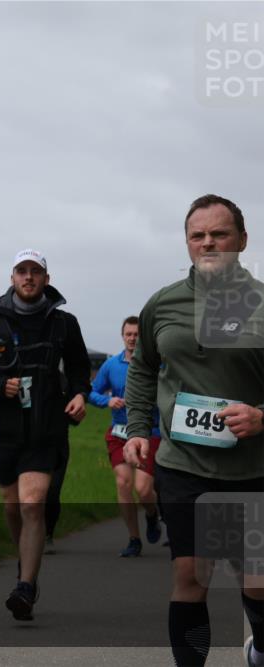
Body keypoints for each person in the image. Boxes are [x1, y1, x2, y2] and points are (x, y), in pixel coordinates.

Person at [123, 194, 263, 667]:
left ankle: (259, 646)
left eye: (219, 234)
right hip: (184, 464)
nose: (208, 243)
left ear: (242, 240)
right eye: (197, 235)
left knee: (256, 580)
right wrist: (138, 428)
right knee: (191, 576)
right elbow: (142, 368)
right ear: (186, 242)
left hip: (251, 467)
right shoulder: (163, 303)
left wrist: (263, 415)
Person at [0, 249, 91, 621]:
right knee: (12, 506)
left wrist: (80, 394)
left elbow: (80, 368)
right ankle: (25, 566)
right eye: (22, 271)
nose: (28, 277)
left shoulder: (64, 323)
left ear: (47, 278)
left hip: (47, 427)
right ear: (12, 277)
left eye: (36, 271)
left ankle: (26, 587)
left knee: (33, 504)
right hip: (4, 428)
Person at [89, 315, 163, 557]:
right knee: (123, 483)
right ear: (123, 336)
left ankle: (152, 515)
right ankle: (134, 539)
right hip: (119, 433)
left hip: (148, 432)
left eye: (136, 334)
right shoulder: (111, 365)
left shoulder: (157, 364)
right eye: (128, 334)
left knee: (143, 490)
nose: (132, 339)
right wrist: (107, 400)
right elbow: (91, 391)